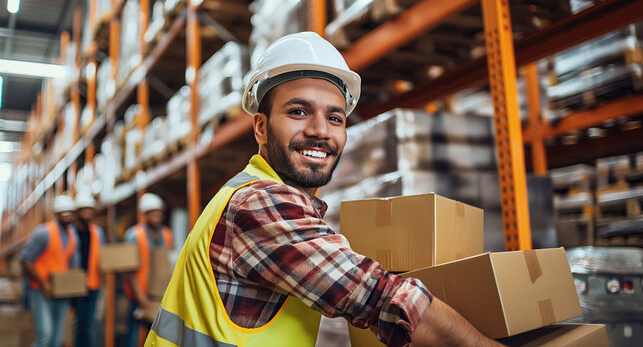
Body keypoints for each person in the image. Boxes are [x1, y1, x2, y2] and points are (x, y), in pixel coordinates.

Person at [146, 32, 502, 347]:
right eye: (299, 111)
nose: (320, 131)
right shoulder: (258, 202)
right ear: (260, 127)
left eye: (335, 118)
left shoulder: (261, 197)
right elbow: (381, 300)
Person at [20, 194, 79, 347]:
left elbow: (73, 264)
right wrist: (43, 284)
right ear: (56, 213)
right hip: (41, 291)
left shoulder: (73, 235)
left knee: (57, 339)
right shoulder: (43, 233)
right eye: (63, 212)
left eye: (70, 212)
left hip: (61, 292)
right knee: (45, 335)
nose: (67, 215)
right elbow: (25, 259)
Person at [123, 192, 173, 347]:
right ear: (145, 214)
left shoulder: (166, 234)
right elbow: (130, 271)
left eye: (159, 212)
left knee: (158, 336)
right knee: (134, 335)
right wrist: (140, 298)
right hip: (139, 293)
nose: (157, 216)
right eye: (153, 213)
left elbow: (170, 263)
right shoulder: (134, 235)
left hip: (160, 295)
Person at [71, 192, 105, 347]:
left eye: (89, 210)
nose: (87, 214)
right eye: (84, 210)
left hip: (93, 284)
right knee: (78, 325)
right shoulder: (70, 232)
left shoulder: (98, 232)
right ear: (78, 212)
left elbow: (104, 256)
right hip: (74, 285)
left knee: (89, 325)